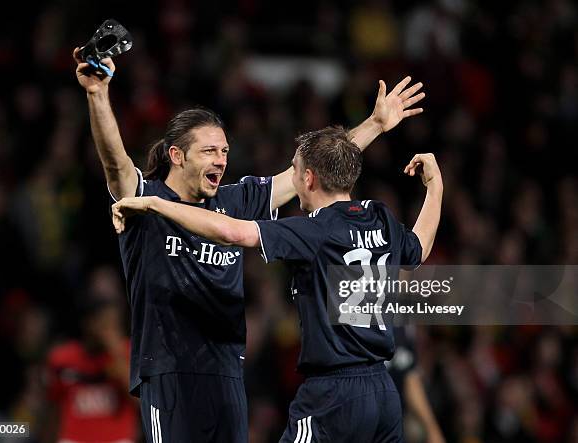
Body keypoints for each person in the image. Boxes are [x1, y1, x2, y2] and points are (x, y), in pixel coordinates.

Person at [74, 46, 426, 442]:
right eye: (209, 151)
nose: (222, 160)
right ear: (177, 156)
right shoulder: (144, 200)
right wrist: (97, 94)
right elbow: (115, 164)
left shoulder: (235, 200)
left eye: (224, 150)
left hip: (226, 369)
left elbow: (313, 173)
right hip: (169, 370)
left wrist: (375, 125)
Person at [112, 126, 443, 442]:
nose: (292, 179)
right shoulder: (380, 217)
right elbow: (420, 247)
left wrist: (156, 204)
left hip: (333, 393)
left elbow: (232, 231)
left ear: (309, 178)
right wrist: (435, 187)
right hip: (383, 393)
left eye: (295, 170)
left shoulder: (312, 231)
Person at [43, 297, 136, 443]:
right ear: (88, 323)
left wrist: (116, 353)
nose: (110, 331)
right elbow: (53, 408)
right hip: (74, 439)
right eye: (105, 324)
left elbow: (140, 402)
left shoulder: (129, 352)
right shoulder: (61, 358)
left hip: (117, 439)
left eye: (114, 325)